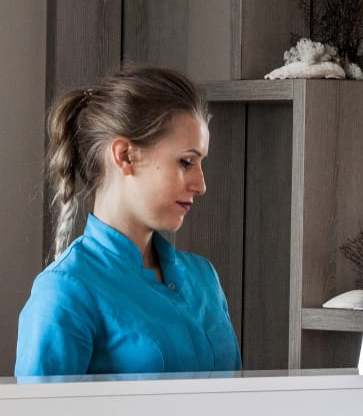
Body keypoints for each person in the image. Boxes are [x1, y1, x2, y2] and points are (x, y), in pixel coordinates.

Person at [15, 64, 241, 378]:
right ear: (124, 155)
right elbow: (41, 411)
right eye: (186, 162)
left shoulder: (203, 278)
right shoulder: (65, 292)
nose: (201, 185)